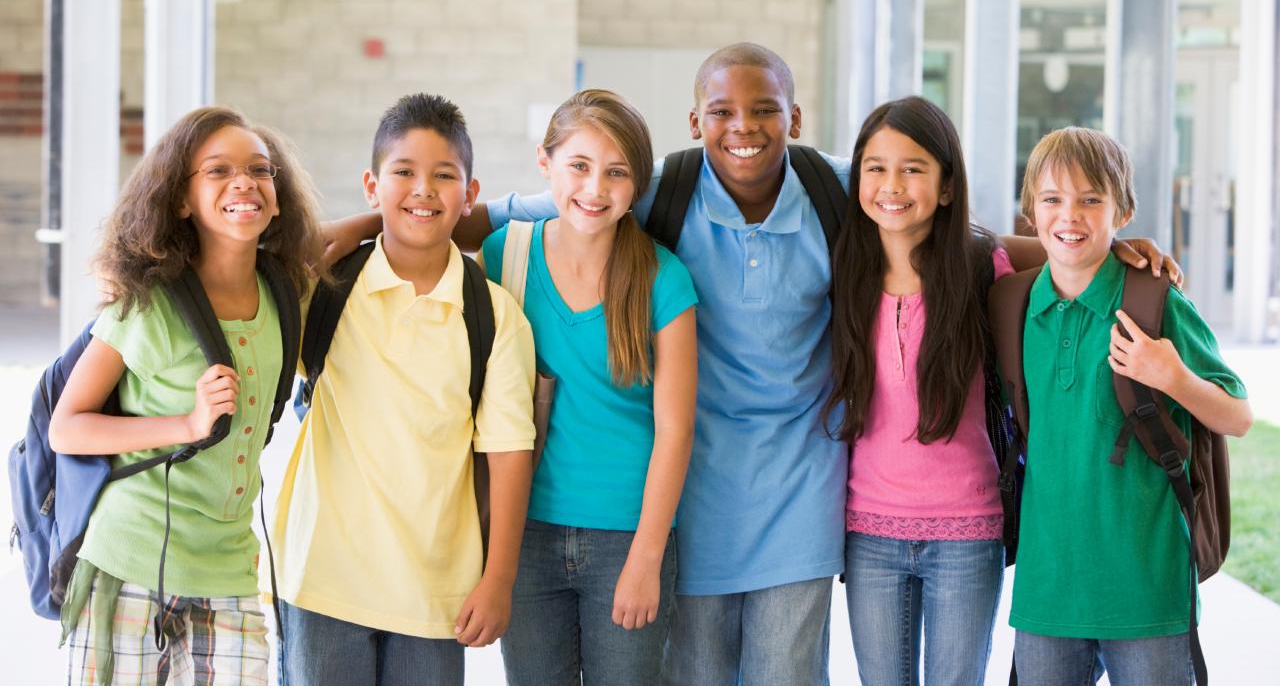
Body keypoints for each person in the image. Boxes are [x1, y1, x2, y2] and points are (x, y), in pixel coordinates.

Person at [321, 43, 1177, 684]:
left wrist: (1104, 250)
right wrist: (343, 231)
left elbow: (953, 228)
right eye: (722, 112)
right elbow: (480, 211)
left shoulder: (837, 185)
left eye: (765, 109)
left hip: (802, 493)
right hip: (692, 498)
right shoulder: (658, 190)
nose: (744, 127)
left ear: (795, 119)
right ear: (696, 122)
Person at [48, 106, 325, 685]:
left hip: (228, 568)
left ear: (277, 198)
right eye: (218, 171)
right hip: (128, 561)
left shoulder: (287, 291)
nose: (244, 182)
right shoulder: (146, 304)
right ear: (181, 199)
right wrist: (187, 422)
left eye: (260, 170)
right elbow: (67, 426)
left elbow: (333, 245)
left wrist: (394, 212)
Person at [271, 93, 536, 686]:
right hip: (323, 578)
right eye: (403, 174)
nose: (424, 190)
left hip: (435, 591)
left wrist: (499, 579)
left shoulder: (493, 314)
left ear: (469, 194)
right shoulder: (331, 290)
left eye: (444, 176)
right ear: (372, 184)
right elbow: (260, 257)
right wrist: (363, 225)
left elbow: (511, 454)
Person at [1005, 127, 1251, 685]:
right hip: (1048, 591)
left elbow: (1236, 415)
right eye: (1053, 199)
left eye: (1092, 199)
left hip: (1147, 592)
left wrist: (1173, 376)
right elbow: (962, 238)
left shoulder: (1154, 298)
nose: (1071, 215)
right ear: (1031, 211)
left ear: (1124, 210)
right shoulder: (1014, 303)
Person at [481, 89, 697, 685]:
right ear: (544, 163)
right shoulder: (505, 258)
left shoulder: (663, 278)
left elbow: (675, 431)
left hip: (627, 536)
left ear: (638, 186)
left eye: (616, 172)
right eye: (579, 165)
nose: (595, 189)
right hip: (524, 534)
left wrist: (647, 559)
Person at [825, 96, 1010, 685]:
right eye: (875, 167)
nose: (892, 184)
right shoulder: (842, 269)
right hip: (869, 530)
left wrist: (1128, 251)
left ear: (947, 186)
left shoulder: (983, 268)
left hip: (968, 529)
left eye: (914, 168)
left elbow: (1064, 257)